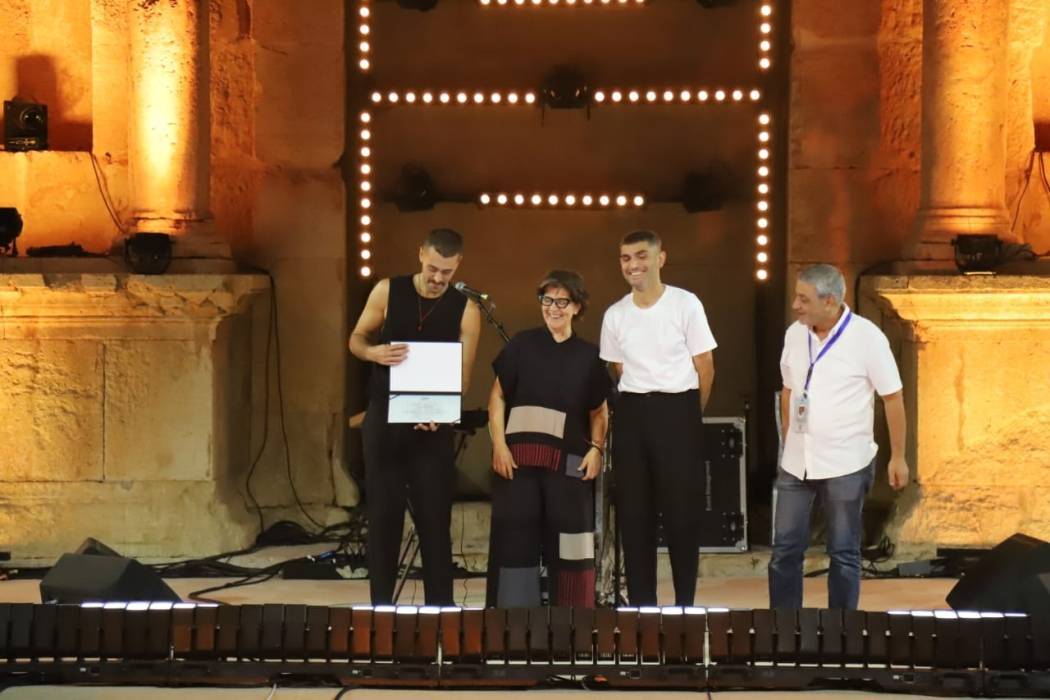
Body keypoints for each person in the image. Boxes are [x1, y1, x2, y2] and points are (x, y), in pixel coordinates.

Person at [348, 228, 481, 606]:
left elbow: (463, 377)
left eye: (447, 272)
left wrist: (440, 411)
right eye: (433, 268)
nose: (438, 278)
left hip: (431, 426)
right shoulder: (387, 291)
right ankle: (381, 610)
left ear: (458, 265)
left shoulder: (466, 309)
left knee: (435, 521)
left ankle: (441, 613)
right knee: (383, 518)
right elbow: (356, 338)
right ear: (421, 253)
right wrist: (374, 353)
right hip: (385, 417)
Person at [770, 263, 909, 610]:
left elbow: (893, 397)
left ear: (829, 301)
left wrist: (898, 456)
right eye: (796, 297)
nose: (795, 305)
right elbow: (788, 389)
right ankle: (783, 628)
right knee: (785, 550)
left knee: (844, 552)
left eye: (804, 299)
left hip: (846, 462)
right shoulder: (794, 334)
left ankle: (841, 629)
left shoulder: (867, 338)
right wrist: (787, 439)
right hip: (796, 462)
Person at [599, 230, 717, 607]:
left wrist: (687, 413)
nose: (633, 265)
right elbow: (617, 368)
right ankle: (642, 610)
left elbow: (705, 365)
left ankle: (685, 607)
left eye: (641, 256)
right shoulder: (615, 314)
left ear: (660, 258)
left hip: (679, 409)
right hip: (633, 413)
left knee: (682, 515)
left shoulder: (685, 304)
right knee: (635, 516)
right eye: (625, 258)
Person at [486, 270, 611, 608]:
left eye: (561, 302)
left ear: (577, 307)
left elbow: (599, 411)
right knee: (515, 544)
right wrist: (499, 445)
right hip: (518, 464)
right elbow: (497, 397)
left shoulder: (589, 356)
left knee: (572, 544)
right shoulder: (522, 345)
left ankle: (573, 625)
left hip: (570, 465)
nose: (553, 308)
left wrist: (596, 450)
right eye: (547, 300)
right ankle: (513, 624)